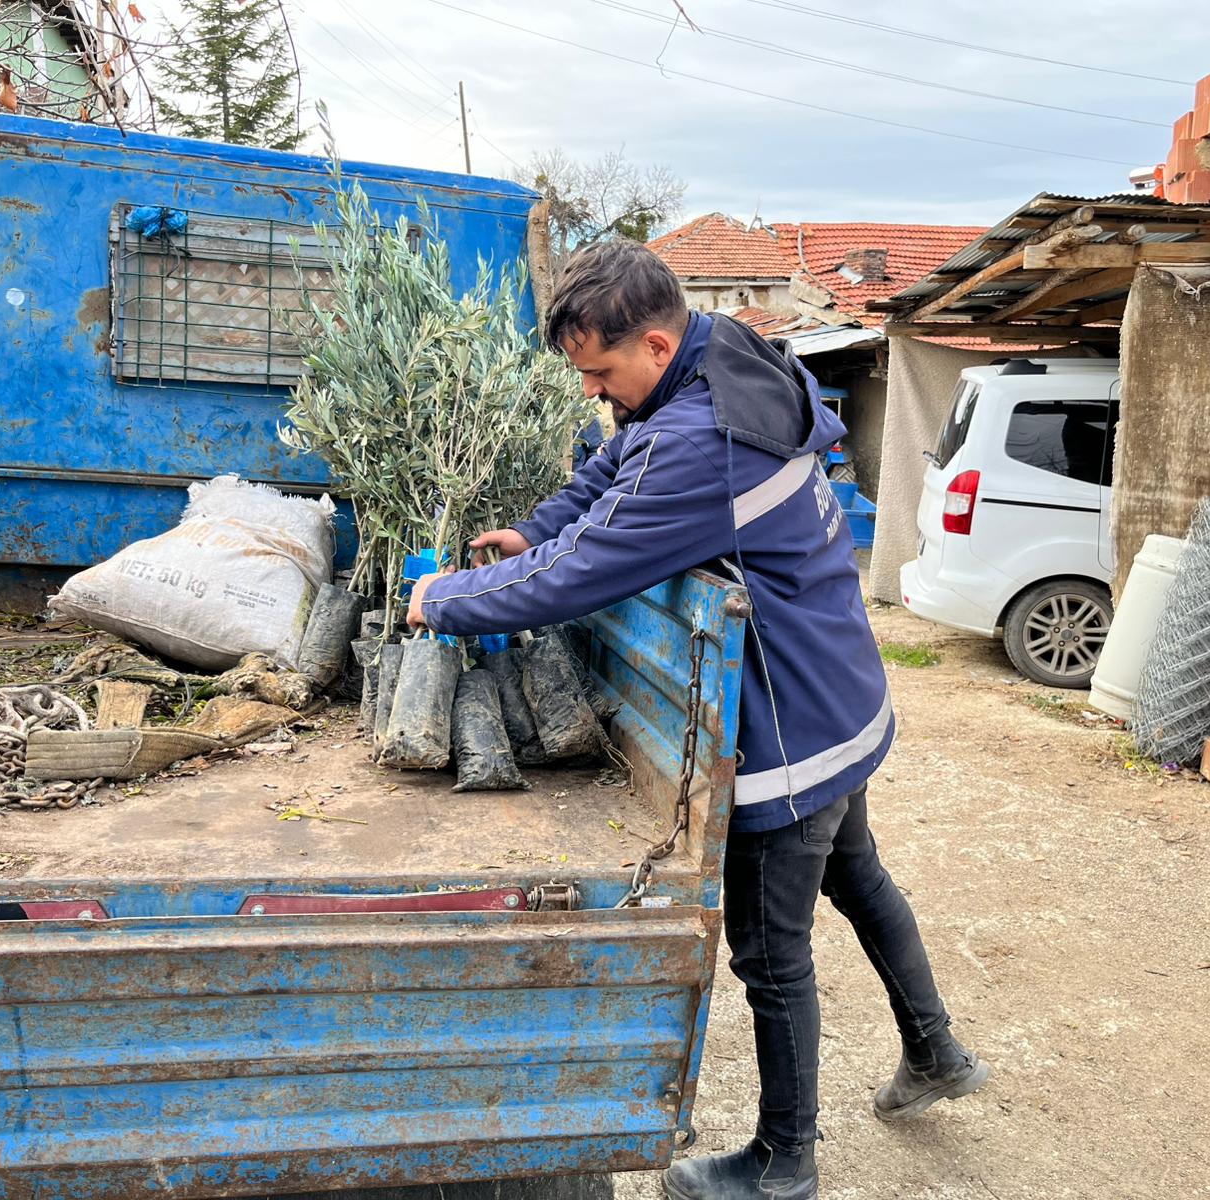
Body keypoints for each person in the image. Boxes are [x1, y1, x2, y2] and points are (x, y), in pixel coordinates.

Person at [409, 240, 987, 1200]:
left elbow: (580, 573)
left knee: (771, 952)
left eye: (601, 372)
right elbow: (614, 465)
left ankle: (783, 1164)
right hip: (839, 689)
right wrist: (537, 525)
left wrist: (446, 598)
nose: (593, 391)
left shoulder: (702, 444)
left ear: (654, 342)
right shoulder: (721, 352)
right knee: (859, 876)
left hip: (788, 726)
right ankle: (936, 1053)